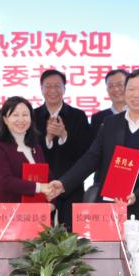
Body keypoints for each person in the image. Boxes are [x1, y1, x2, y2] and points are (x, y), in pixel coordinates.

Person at [48, 69, 139, 233]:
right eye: (131, 89)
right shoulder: (110, 123)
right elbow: (91, 158)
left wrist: (137, 195)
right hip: (110, 212)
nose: (135, 94)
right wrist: (64, 183)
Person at [34, 69, 90, 228]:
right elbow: (30, 151)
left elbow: (86, 152)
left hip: (71, 184)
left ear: (64, 88)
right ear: (41, 89)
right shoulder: (32, 116)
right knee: (40, 232)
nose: (53, 90)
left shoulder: (78, 116)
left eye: (57, 86)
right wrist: (48, 138)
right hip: (41, 185)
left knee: (71, 232)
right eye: (48, 86)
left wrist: (64, 136)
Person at [0, 96, 55, 213]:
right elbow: (5, 181)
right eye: (15, 115)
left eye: (25, 115)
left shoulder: (36, 147)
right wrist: (39, 187)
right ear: (5, 119)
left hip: (36, 215)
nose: (21, 119)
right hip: (9, 216)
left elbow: (48, 178)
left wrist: (52, 204)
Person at [89, 69, 128, 137]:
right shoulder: (98, 118)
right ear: (107, 90)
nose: (116, 89)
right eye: (111, 86)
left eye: (120, 84)